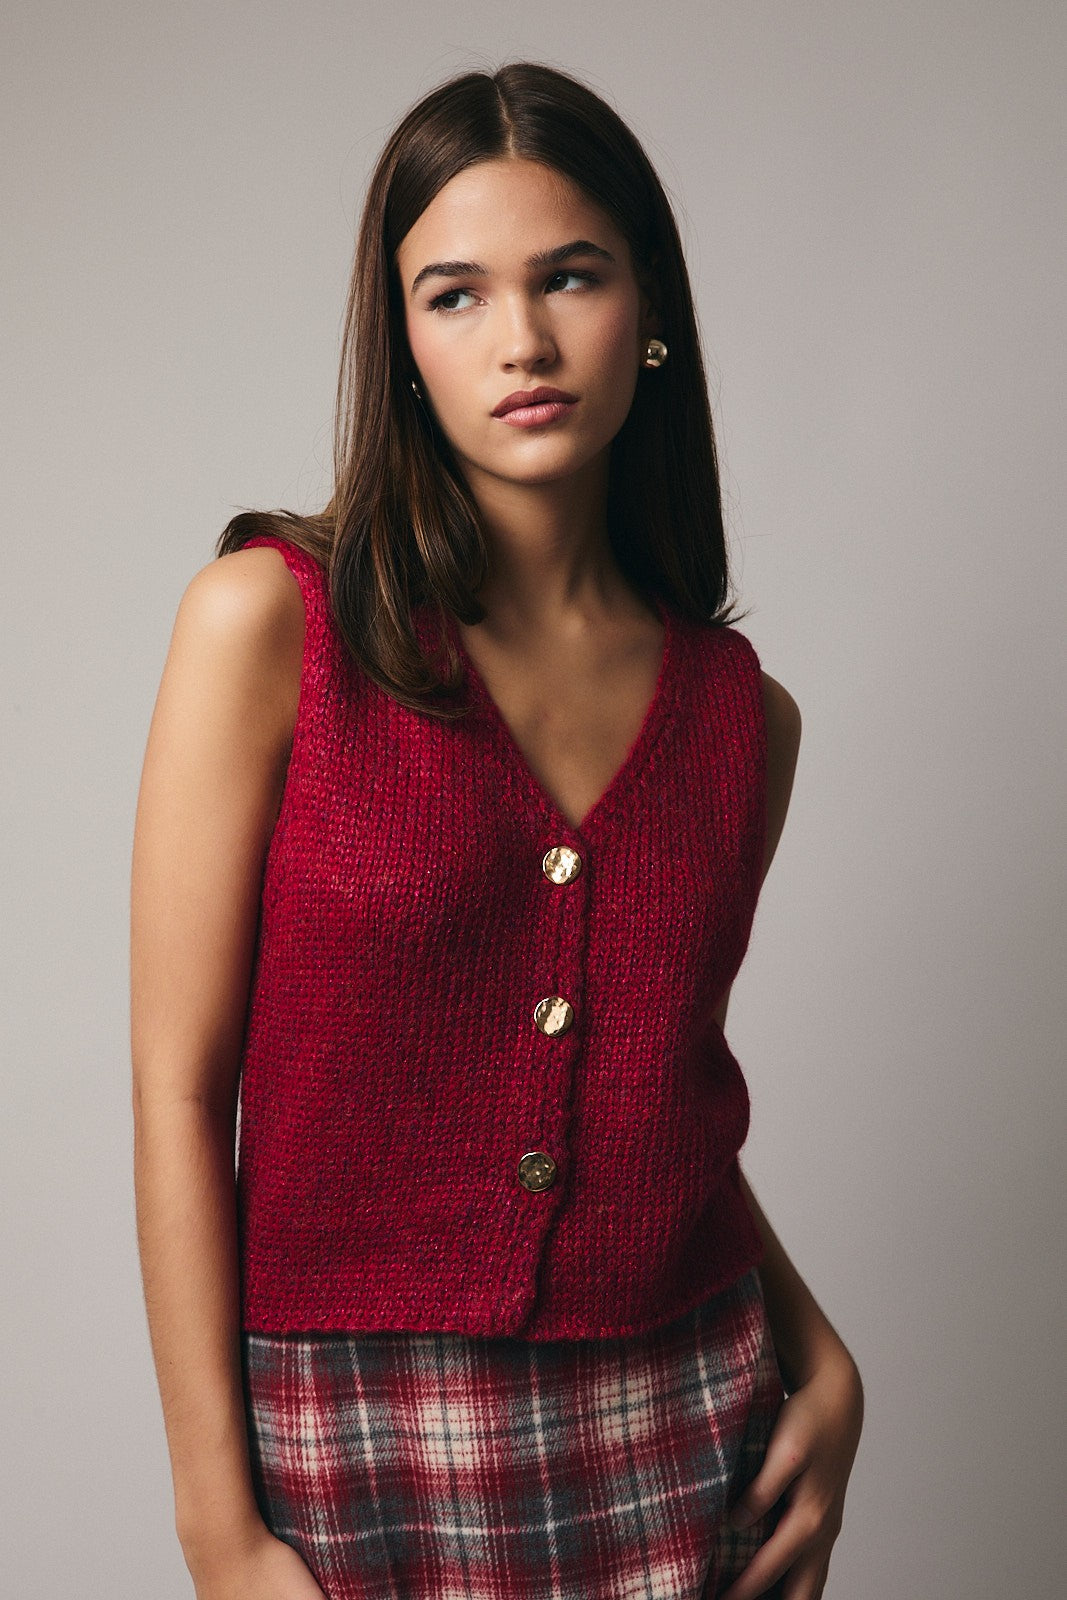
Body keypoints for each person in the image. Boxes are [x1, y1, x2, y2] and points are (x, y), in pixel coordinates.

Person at [130, 60, 864, 1600]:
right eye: (453, 294)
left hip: (683, 1416)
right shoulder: (271, 628)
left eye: (571, 278)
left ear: (647, 311)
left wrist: (821, 1357)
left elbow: (654, 1107)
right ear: (399, 341)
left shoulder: (742, 717)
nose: (521, 342)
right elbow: (181, 1089)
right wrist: (216, 1521)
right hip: (353, 1438)